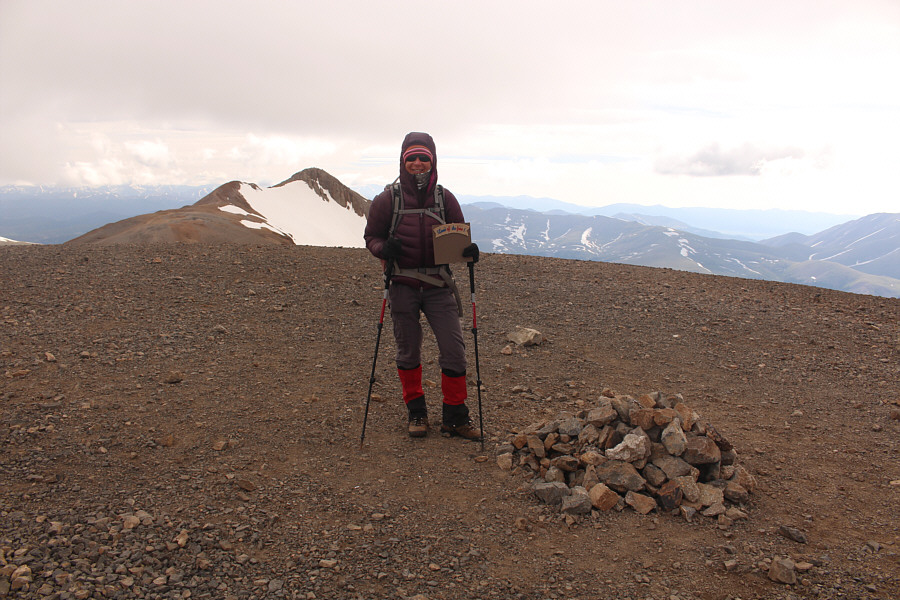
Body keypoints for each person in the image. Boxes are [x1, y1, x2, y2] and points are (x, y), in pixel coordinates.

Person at [364, 132, 480, 439]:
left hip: (438, 284)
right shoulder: (387, 200)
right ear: (403, 162)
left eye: (423, 158)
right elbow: (370, 237)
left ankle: (454, 416)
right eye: (411, 158)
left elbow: (458, 237)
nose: (417, 163)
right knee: (408, 351)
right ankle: (417, 413)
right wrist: (382, 249)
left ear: (433, 160)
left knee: (454, 350)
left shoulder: (445, 199)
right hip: (402, 284)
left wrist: (468, 252)